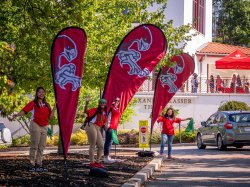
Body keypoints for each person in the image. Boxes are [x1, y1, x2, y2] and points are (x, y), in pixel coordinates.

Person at [12, 87, 56, 172]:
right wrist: (17, 115)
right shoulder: (33, 103)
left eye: (43, 92)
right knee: (34, 145)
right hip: (35, 124)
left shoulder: (47, 105)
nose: (41, 94)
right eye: (39, 92)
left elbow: (50, 117)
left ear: (44, 94)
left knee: (42, 146)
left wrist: (54, 107)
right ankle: (31, 164)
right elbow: (24, 111)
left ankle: (39, 164)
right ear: (36, 93)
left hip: (45, 126)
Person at [84, 97, 108, 168]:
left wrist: (110, 132)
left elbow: (104, 125)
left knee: (101, 146)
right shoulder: (95, 110)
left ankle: (97, 162)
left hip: (98, 128)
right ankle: (92, 162)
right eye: (101, 103)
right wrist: (87, 103)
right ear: (99, 104)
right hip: (91, 125)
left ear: (106, 104)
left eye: (104, 103)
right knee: (93, 144)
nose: (102, 104)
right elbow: (85, 111)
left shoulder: (105, 114)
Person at [104, 97, 121, 163]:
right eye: (116, 100)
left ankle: (107, 156)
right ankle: (106, 157)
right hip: (110, 127)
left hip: (114, 127)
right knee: (108, 142)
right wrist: (107, 127)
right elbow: (108, 118)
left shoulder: (117, 108)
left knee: (110, 142)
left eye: (118, 101)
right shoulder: (110, 109)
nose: (117, 102)